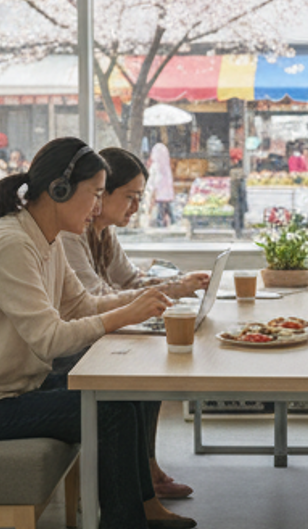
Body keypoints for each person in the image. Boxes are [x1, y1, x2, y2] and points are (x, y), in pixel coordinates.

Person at [0, 136, 196, 529]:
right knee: (112, 410)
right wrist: (126, 313)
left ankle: (143, 509)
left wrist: (145, 299)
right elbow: (50, 338)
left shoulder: (45, 239)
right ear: (59, 190)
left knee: (125, 392)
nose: (99, 207)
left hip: (11, 387)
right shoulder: (11, 244)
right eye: (96, 194)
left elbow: (81, 305)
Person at [60, 147, 210, 499]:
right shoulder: (70, 236)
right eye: (129, 197)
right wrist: (168, 290)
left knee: (149, 367)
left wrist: (179, 286)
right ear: (101, 193)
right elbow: (94, 300)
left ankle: (148, 472)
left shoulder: (103, 233)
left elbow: (128, 282)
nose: (135, 208)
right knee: (143, 374)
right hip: (76, 345)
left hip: (94, 336)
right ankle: (144, 480)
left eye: (139, 199)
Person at [148, 143, 175, 227]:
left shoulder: (155, 166)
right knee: (167, 208)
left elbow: (152, 181)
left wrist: (151, 192)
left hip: (158, 194)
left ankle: (160, 222)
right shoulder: (167, 167)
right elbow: (170, 181)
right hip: (167, 195)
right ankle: (171, 221)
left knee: (160, 210)